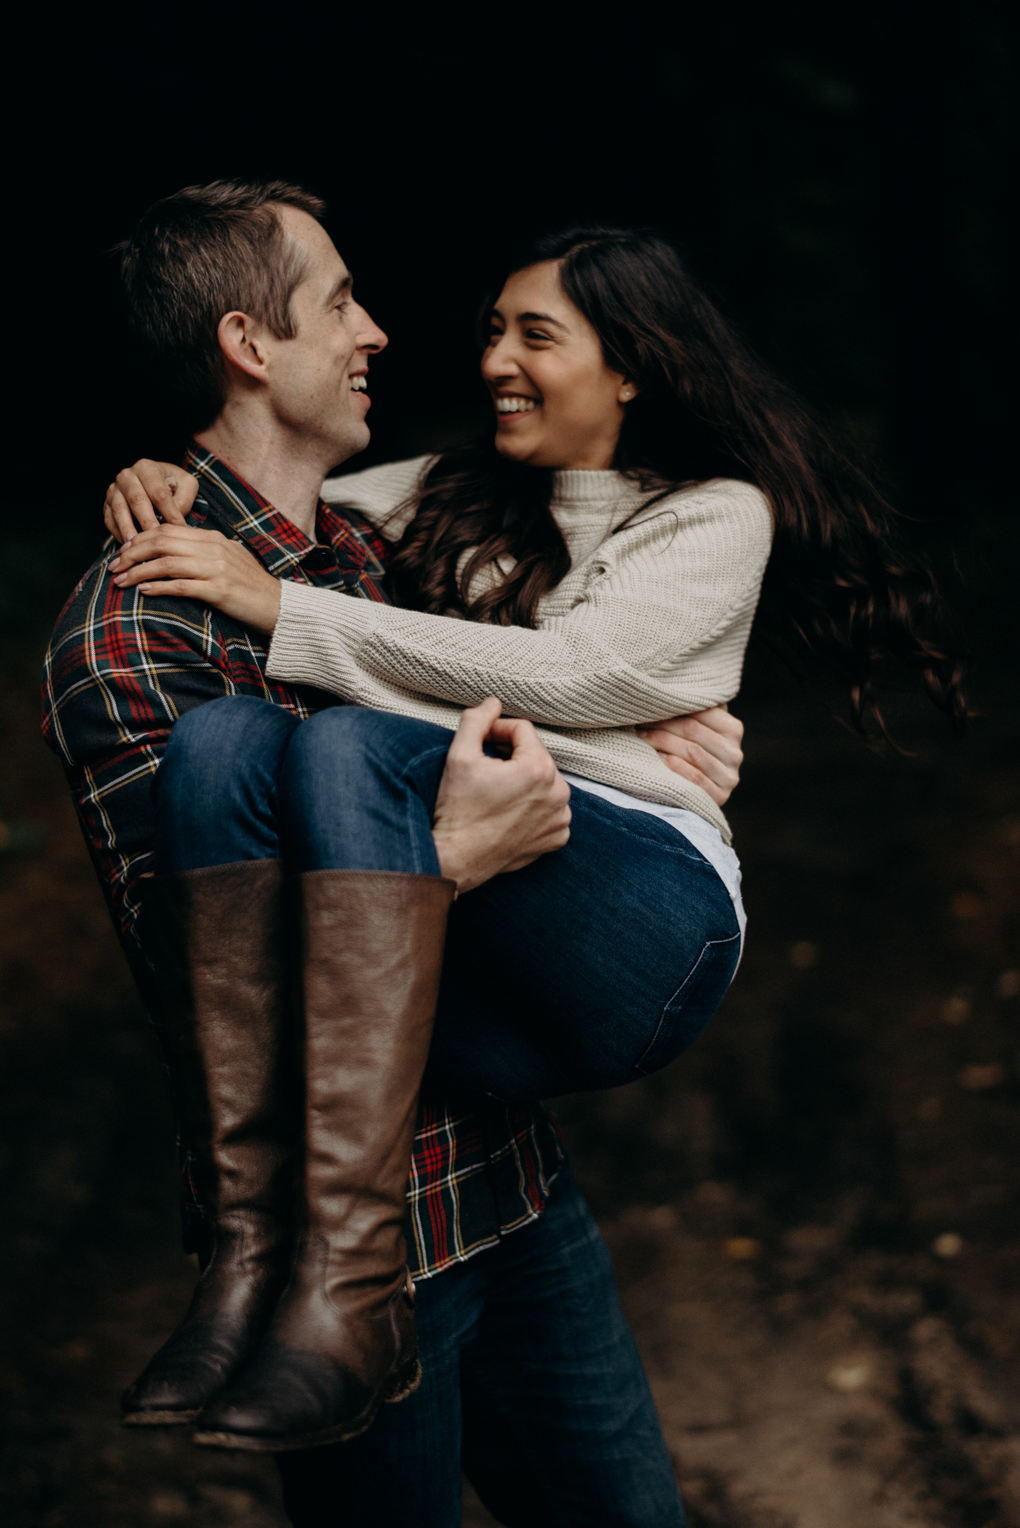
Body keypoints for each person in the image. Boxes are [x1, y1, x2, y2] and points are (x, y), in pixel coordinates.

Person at [104, 197, 965, 1476]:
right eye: (491, 330)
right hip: (482, 934)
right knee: (224, 744)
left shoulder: (711, 512)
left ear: (631, 364)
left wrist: (286, 612)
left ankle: (335, 1275)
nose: (494, 359)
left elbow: (582, 669)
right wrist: (156, 475)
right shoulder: (445, 490)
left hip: (647, 926)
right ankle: (262, 1264)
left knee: (339, 743)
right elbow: (284, 497)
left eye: (536, 335)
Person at [43, 179, 748, 1526]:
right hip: (354, 1256)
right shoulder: (133, 637)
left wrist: (664, 749)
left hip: (510, 1185)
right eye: (341, 302)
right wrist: (457, 864)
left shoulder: (378, 556)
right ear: (251, 344)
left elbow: (563, 680)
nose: (377, 332)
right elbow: (203, 973)